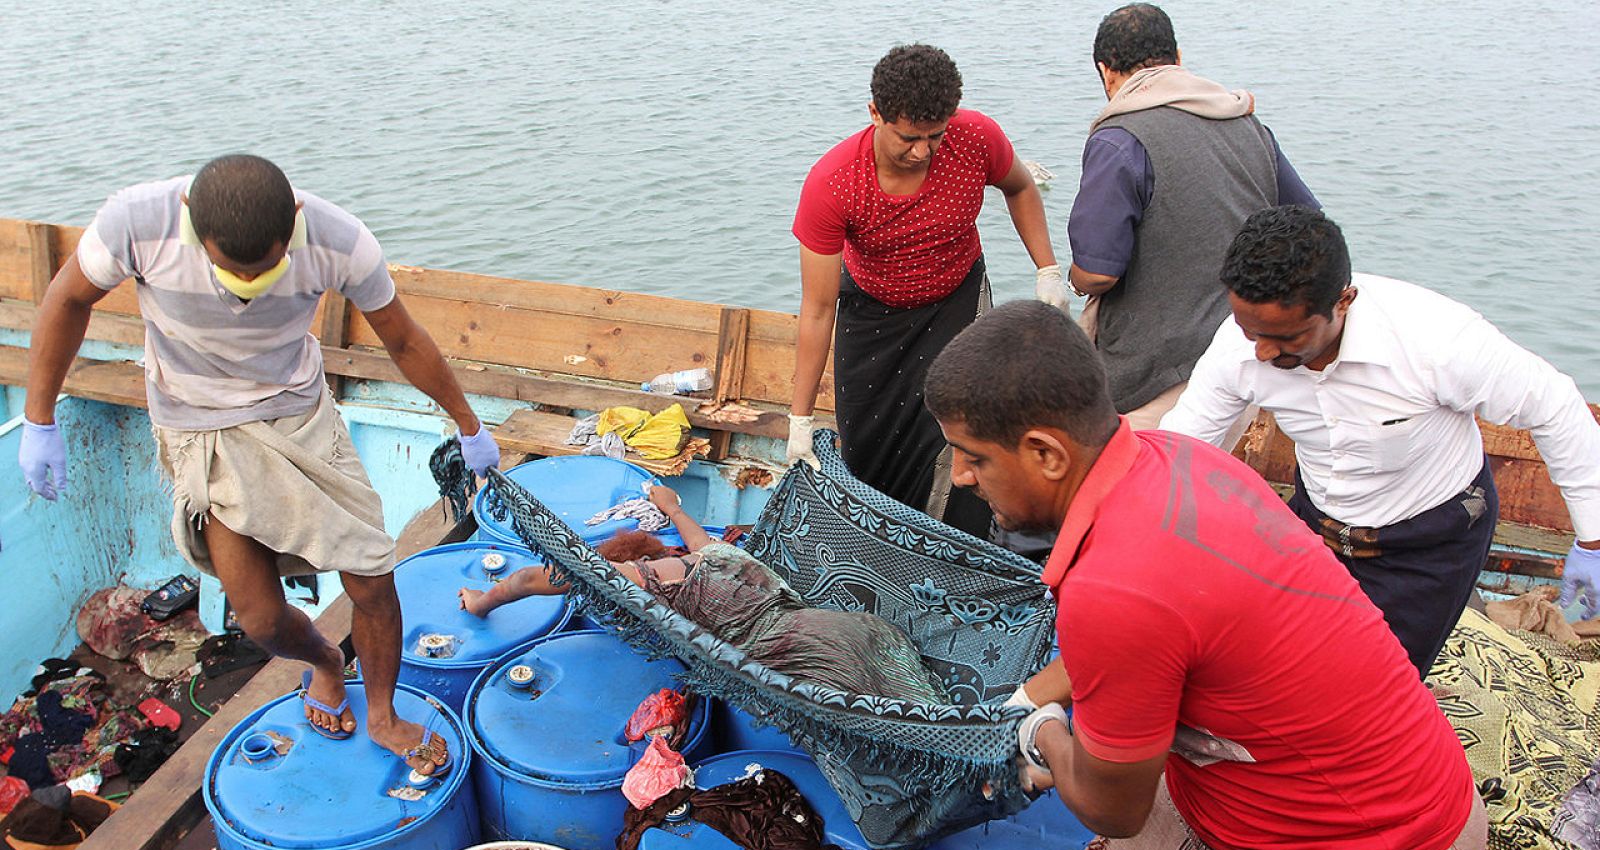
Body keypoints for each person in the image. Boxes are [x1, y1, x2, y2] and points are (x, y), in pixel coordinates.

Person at [922, 301, 1485, 850]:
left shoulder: (1115, 589)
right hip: (1400, 777)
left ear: (1047, 454)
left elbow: (1114, 811)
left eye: (975, 455)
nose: (960, 475)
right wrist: (1030, 694)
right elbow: (1168, 630)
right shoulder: (1183, 460)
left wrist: (1039, 736)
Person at [17, 155, 502, 773]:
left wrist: (469, 422)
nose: (247, 286)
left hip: (300, 421)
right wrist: (39, 419)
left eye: (266, 268)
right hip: (202, 430)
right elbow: (66, 301)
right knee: (261, 618)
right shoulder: (136, 224)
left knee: (372, 579)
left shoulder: (339, 240)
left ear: (295, 220)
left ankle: (383, 713)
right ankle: (327, 660)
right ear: (191, 221)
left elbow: (402, 338)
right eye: (230, 269)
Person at [1162, 205, 1600, 676]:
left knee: (1377, 683)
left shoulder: (1437, 341)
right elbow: (1182, 447)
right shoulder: (1240, 345)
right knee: (1270, 661)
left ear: (1343, 302)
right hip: (1318, 522)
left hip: (1429, 540)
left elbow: (1556, 407)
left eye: (1286, 338)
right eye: (1252, 332)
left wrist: (1593, 541)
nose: (1264, 352)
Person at [787, 44, 1065, 538]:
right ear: (875, 114)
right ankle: (882, 549)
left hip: (957, 303)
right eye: (908, 138)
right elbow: (817, 310)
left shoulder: (975, 138)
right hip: (873, 318)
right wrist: (800, 418)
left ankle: (960, 549)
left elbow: (1020, 187)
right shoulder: (833, 184)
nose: (923, 151)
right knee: (867, 449)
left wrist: (1047, 269)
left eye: (935, 136)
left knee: (969, 427)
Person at [460, 485, 948, 704]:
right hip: (847, 626)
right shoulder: (715, 555)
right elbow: (694, 535)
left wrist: (484, 601)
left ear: (639, 563)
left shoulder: (657, 581)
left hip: (800, 650)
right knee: (912, 699)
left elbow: (532, 579)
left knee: (890, 718)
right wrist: (671, 506)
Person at [1067, 3, 1318, 428]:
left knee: (1142, 486)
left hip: (1158, 378)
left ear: (1105, 71)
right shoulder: (1249, 124)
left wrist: (1069, 279)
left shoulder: (1118, 141)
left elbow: (1097, 273)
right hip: (1248, 353)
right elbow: (1308, 229)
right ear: (1178, 57)